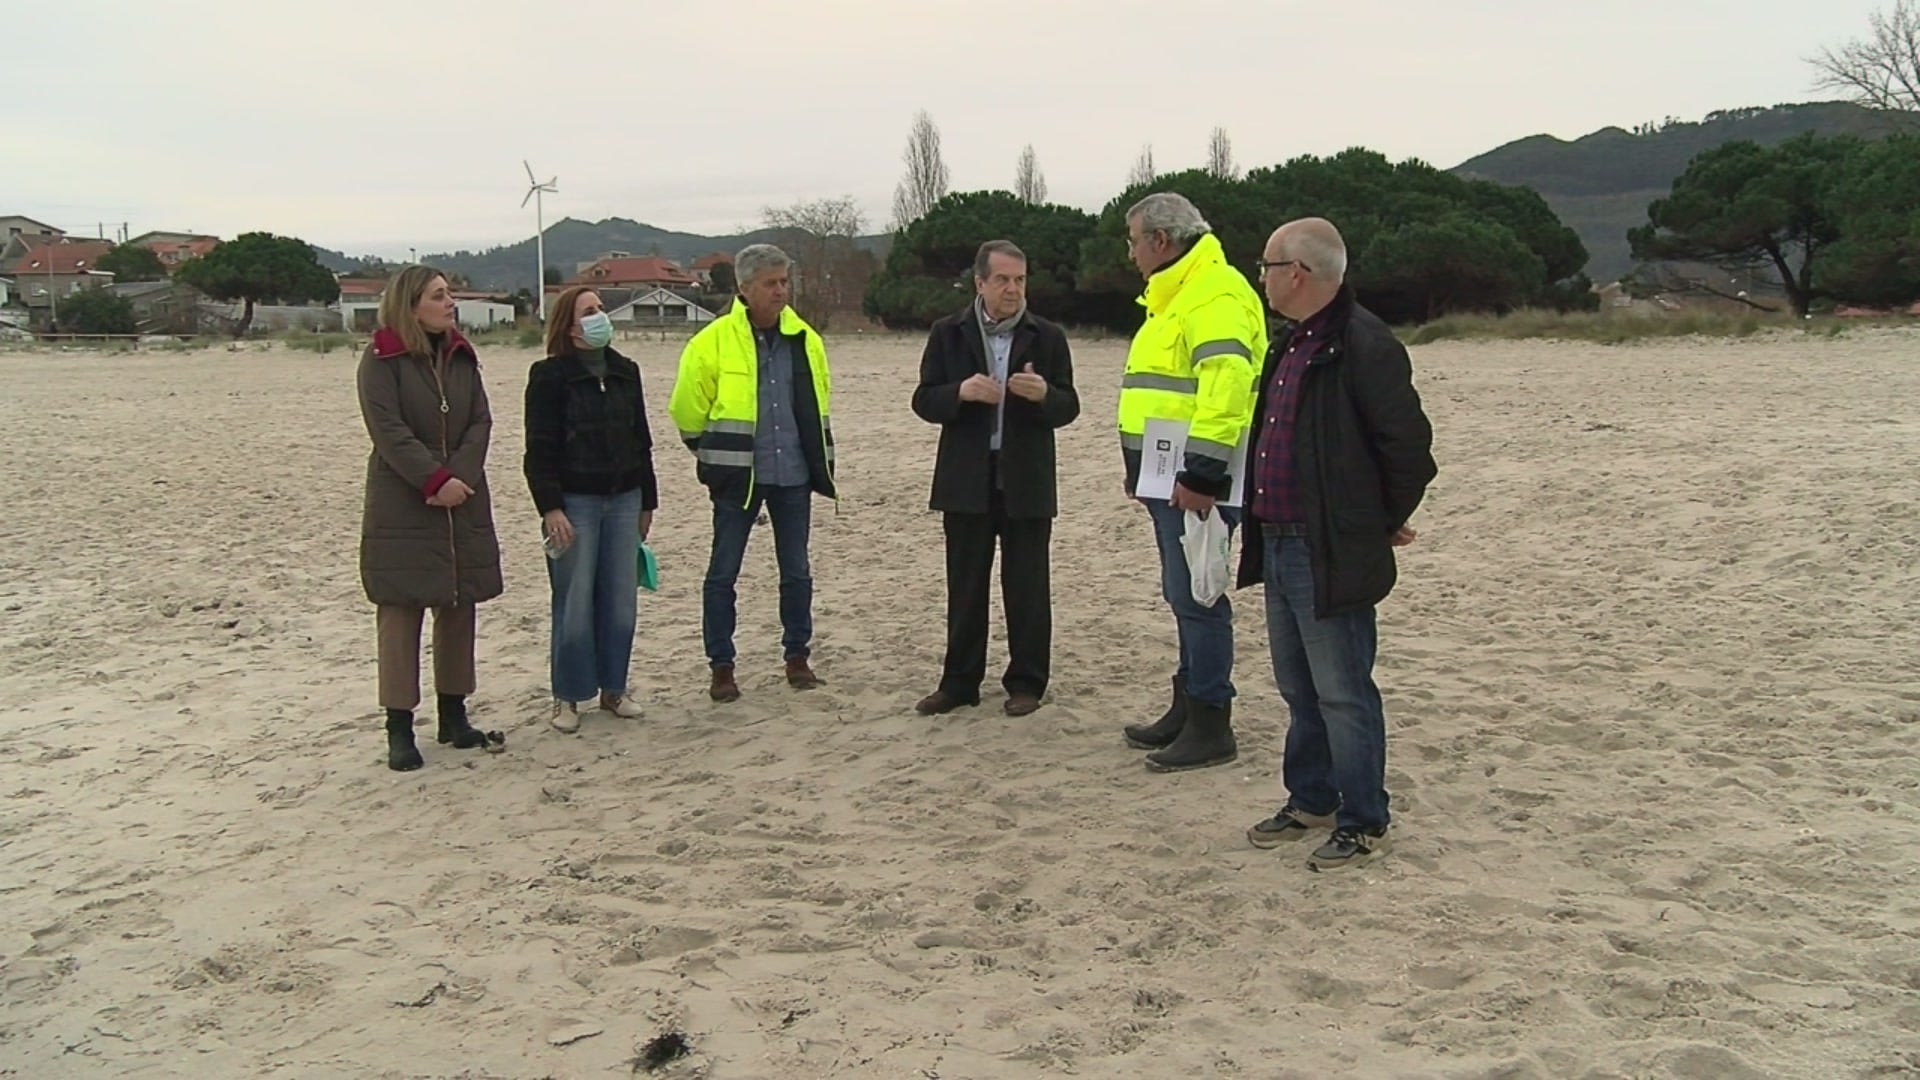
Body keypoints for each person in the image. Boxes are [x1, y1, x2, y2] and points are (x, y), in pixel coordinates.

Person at [1238, 218, 1437, 872]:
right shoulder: (1291, 343)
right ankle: (1312, 797)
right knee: (1299, 686)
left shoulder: (1363, 344)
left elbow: (1409, 452)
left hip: (1327, 546)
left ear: (1298, 272)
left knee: (1343, 689)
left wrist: (1376, 521)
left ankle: (1364, 818)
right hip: (1280, 539)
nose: (1260, 275)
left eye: (1267, 264)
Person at [1113, 192, 1265, 772]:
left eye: (1132, 240)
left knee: (1200, 595)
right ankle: (1188, 703)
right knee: (1183, 595)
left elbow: (1225, 389)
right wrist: (1142, 473)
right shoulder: (1177, 294)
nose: (1129, 254)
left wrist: (1202, 474)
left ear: (1160, 240)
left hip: (1199, 483)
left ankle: (1210, 719)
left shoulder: (1216, 294)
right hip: (1168, 477)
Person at [910, 240, 1080, 717]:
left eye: (1020, 280)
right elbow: (924, 399)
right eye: (1003, 280)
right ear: (980, 282)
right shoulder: (949, 333)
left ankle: (1026, 682)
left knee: (1027, 586)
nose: (1012, 289)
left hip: (1026, 480)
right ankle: (959, 682)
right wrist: (959, 393)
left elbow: (1070, 406)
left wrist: (1046, 393)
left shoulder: (1047, 337)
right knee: (965, 586)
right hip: (965, 480)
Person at [667, 243, 836, 702]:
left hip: (794, 472)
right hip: (737, 476)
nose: (781, 290)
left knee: (796, 570)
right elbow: (687, 409)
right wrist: (711, 455)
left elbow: (820, 401)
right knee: (723, 573)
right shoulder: (712, 342)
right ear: (745, 288)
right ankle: (721, 666)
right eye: (771, 283)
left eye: (784, 281)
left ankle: (797, 657)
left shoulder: (806, 339)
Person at [355, 265, 505, 772]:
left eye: (450, 294)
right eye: (439, 295)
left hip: (463, 499)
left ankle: (454, 714)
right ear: (411, 303)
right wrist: (433, 480)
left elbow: (480, 421)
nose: (450, 302)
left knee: (458, 604)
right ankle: (399, 725)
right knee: (400, 612)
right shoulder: (381, 359)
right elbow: (389, 431)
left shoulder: (463, 356)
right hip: (404, 503)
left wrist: (460, 476)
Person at [523, 285, 660, 733]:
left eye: (601, 308)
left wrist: (647, 501)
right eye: (589, 310)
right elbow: (538, 451)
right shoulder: (549, 377)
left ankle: (613, 689)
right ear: (570, 326)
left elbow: (642, 441)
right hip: (575, 503)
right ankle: (567, 697)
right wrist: (551, 507)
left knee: (621, 600)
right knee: (575, 600)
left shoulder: (626, 371)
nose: (600, 315)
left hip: (625, 499)